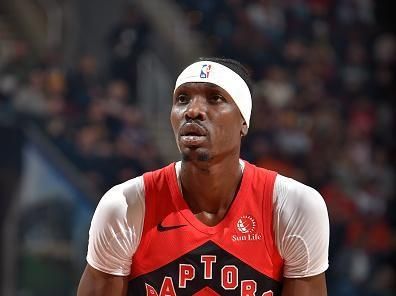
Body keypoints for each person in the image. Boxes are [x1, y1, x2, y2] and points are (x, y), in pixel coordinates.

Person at [77, 57, 329, 296]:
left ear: (243, 121)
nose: (193, 110)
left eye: (215, 98)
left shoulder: (294, 206)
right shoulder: (124, 205)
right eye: (183, 99)